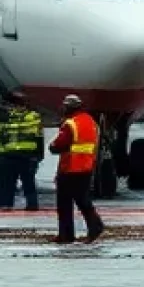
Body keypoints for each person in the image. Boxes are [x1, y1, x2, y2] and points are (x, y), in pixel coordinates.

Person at [50, 93, 104, 243]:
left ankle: (67, 235)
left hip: (70, 168)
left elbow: (59, 145)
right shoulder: (90, 121)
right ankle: (93, 226)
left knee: (64, 203)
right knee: (83, 200)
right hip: (86, 167)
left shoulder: (70, 124)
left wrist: (52, 146)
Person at [0, 92, 44, 211]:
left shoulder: (9, 117)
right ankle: (30, 205)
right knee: (25, 182)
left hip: (17, 155)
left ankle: (7, 204)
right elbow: (39, 137)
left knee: (14, 183)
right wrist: (39, 155)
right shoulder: (33, 117)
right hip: (21, 155)